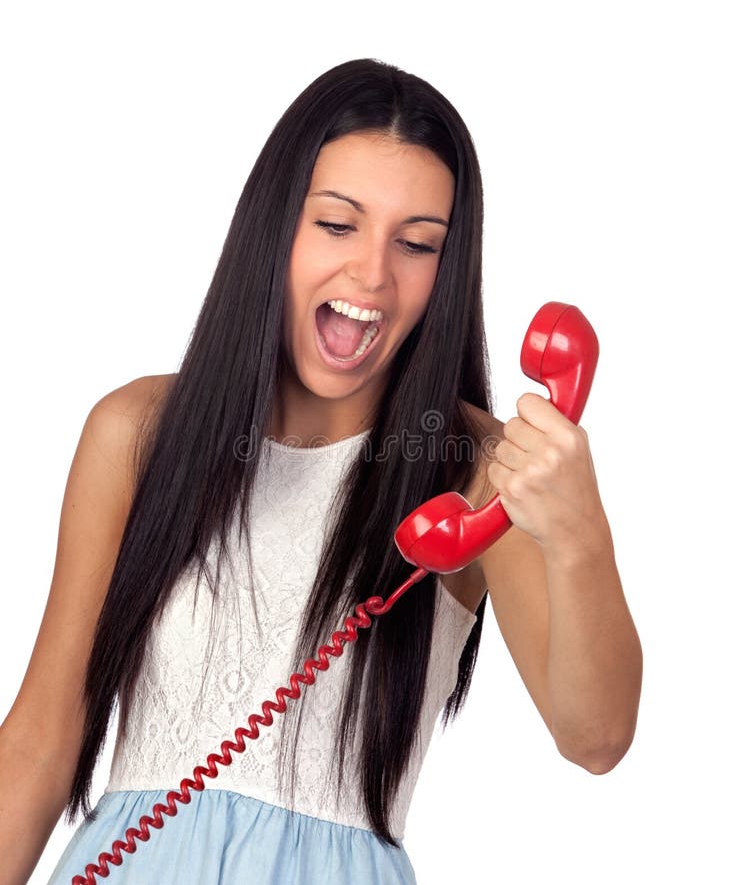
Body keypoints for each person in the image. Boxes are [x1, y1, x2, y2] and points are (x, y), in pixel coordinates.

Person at [0, 58, 643, 884]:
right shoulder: (137, 433)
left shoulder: (479, 472)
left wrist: (578, 529)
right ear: (276, 228)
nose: (372, 273)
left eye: (416, 245)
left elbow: (595, 738)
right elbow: (39, 742)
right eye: (337, 226)